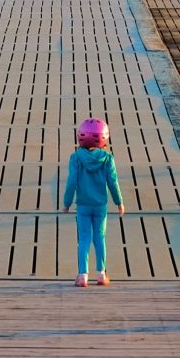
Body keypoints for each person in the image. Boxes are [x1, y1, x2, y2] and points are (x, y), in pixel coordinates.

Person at [61, 117, 122, 286]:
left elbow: (72, 181)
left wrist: (66, 202)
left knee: (84, 239)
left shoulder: (76, 158)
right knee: (100, 238)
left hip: (83, 205)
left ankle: (82, 276)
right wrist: (119, 202)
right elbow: (112, 181)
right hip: (100, 205)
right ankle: (101, 274)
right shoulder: (107, 158)